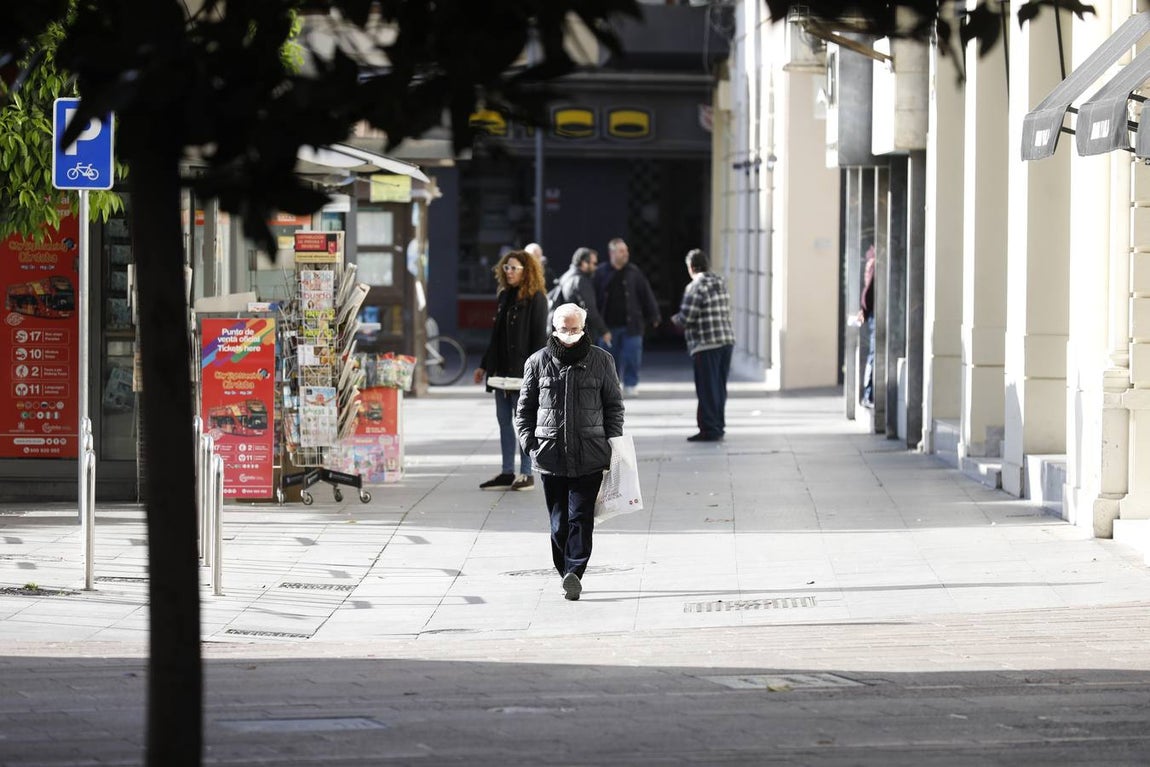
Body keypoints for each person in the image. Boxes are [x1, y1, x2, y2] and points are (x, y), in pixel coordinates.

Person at [515, 303, 625, 601]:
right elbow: (524, 409)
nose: (570, 334)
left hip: (590, 453)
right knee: (559, 521)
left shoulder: (602, 361)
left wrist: (613, 443)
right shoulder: (537, 362)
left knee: (581, 517)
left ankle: (575, 571)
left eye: (575, 329)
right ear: (554, 328)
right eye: (564, 329)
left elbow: (614, 406)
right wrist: (529, 444)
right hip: (550, 455)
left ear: (583, 328)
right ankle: (564, 569)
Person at [473, 249, 549, 491]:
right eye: (506, 268)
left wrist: (534, 374)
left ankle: (527, 473)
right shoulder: (505, 296)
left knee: (524, 422)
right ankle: (507, 471)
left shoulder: (537, 298)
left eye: (514, 268)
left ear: (526, 271)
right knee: (504, 422)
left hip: (522, 373)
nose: (509, 272)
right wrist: (484, 365)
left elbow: (539, 341)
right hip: (500, 373)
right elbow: (496, 337)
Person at [671, 249, 735, 442]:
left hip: (705, 344)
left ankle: (709, 429)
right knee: (719, 387)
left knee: (707, 389)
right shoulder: (720, 282)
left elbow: (686, 318)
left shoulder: (695, 286)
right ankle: (718, 425)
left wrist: (674, 320)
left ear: (691, 267)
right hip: (726, 341)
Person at [593, 237, 660, 397]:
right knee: (608, 359)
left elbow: (646, 294)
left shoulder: (634, 272)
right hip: (608, 326)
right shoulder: (600, 273)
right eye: (622, 251)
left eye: (626, 251)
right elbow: (593, 298)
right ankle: (610, 386)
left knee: (633, 356)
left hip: (632, 325)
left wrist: (654, 314)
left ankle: (630, 384)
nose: (626, 254)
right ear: (612, 253)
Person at [552, 247, 611, 346]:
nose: (596, 267)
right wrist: (604, 331)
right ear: (584, 263)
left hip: (566, 333)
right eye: (594, 263)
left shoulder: (565, 277)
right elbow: (590, 309)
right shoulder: (581, 281)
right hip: (579, 336)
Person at [856, 244, 876, 408]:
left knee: (873, 353)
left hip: (871, 312)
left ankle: (868, 394)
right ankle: (868, 394)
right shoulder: (874, 263)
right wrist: (865, 308)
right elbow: (868, 291)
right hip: (874, 313)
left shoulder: (871, 261)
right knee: (873, 353)